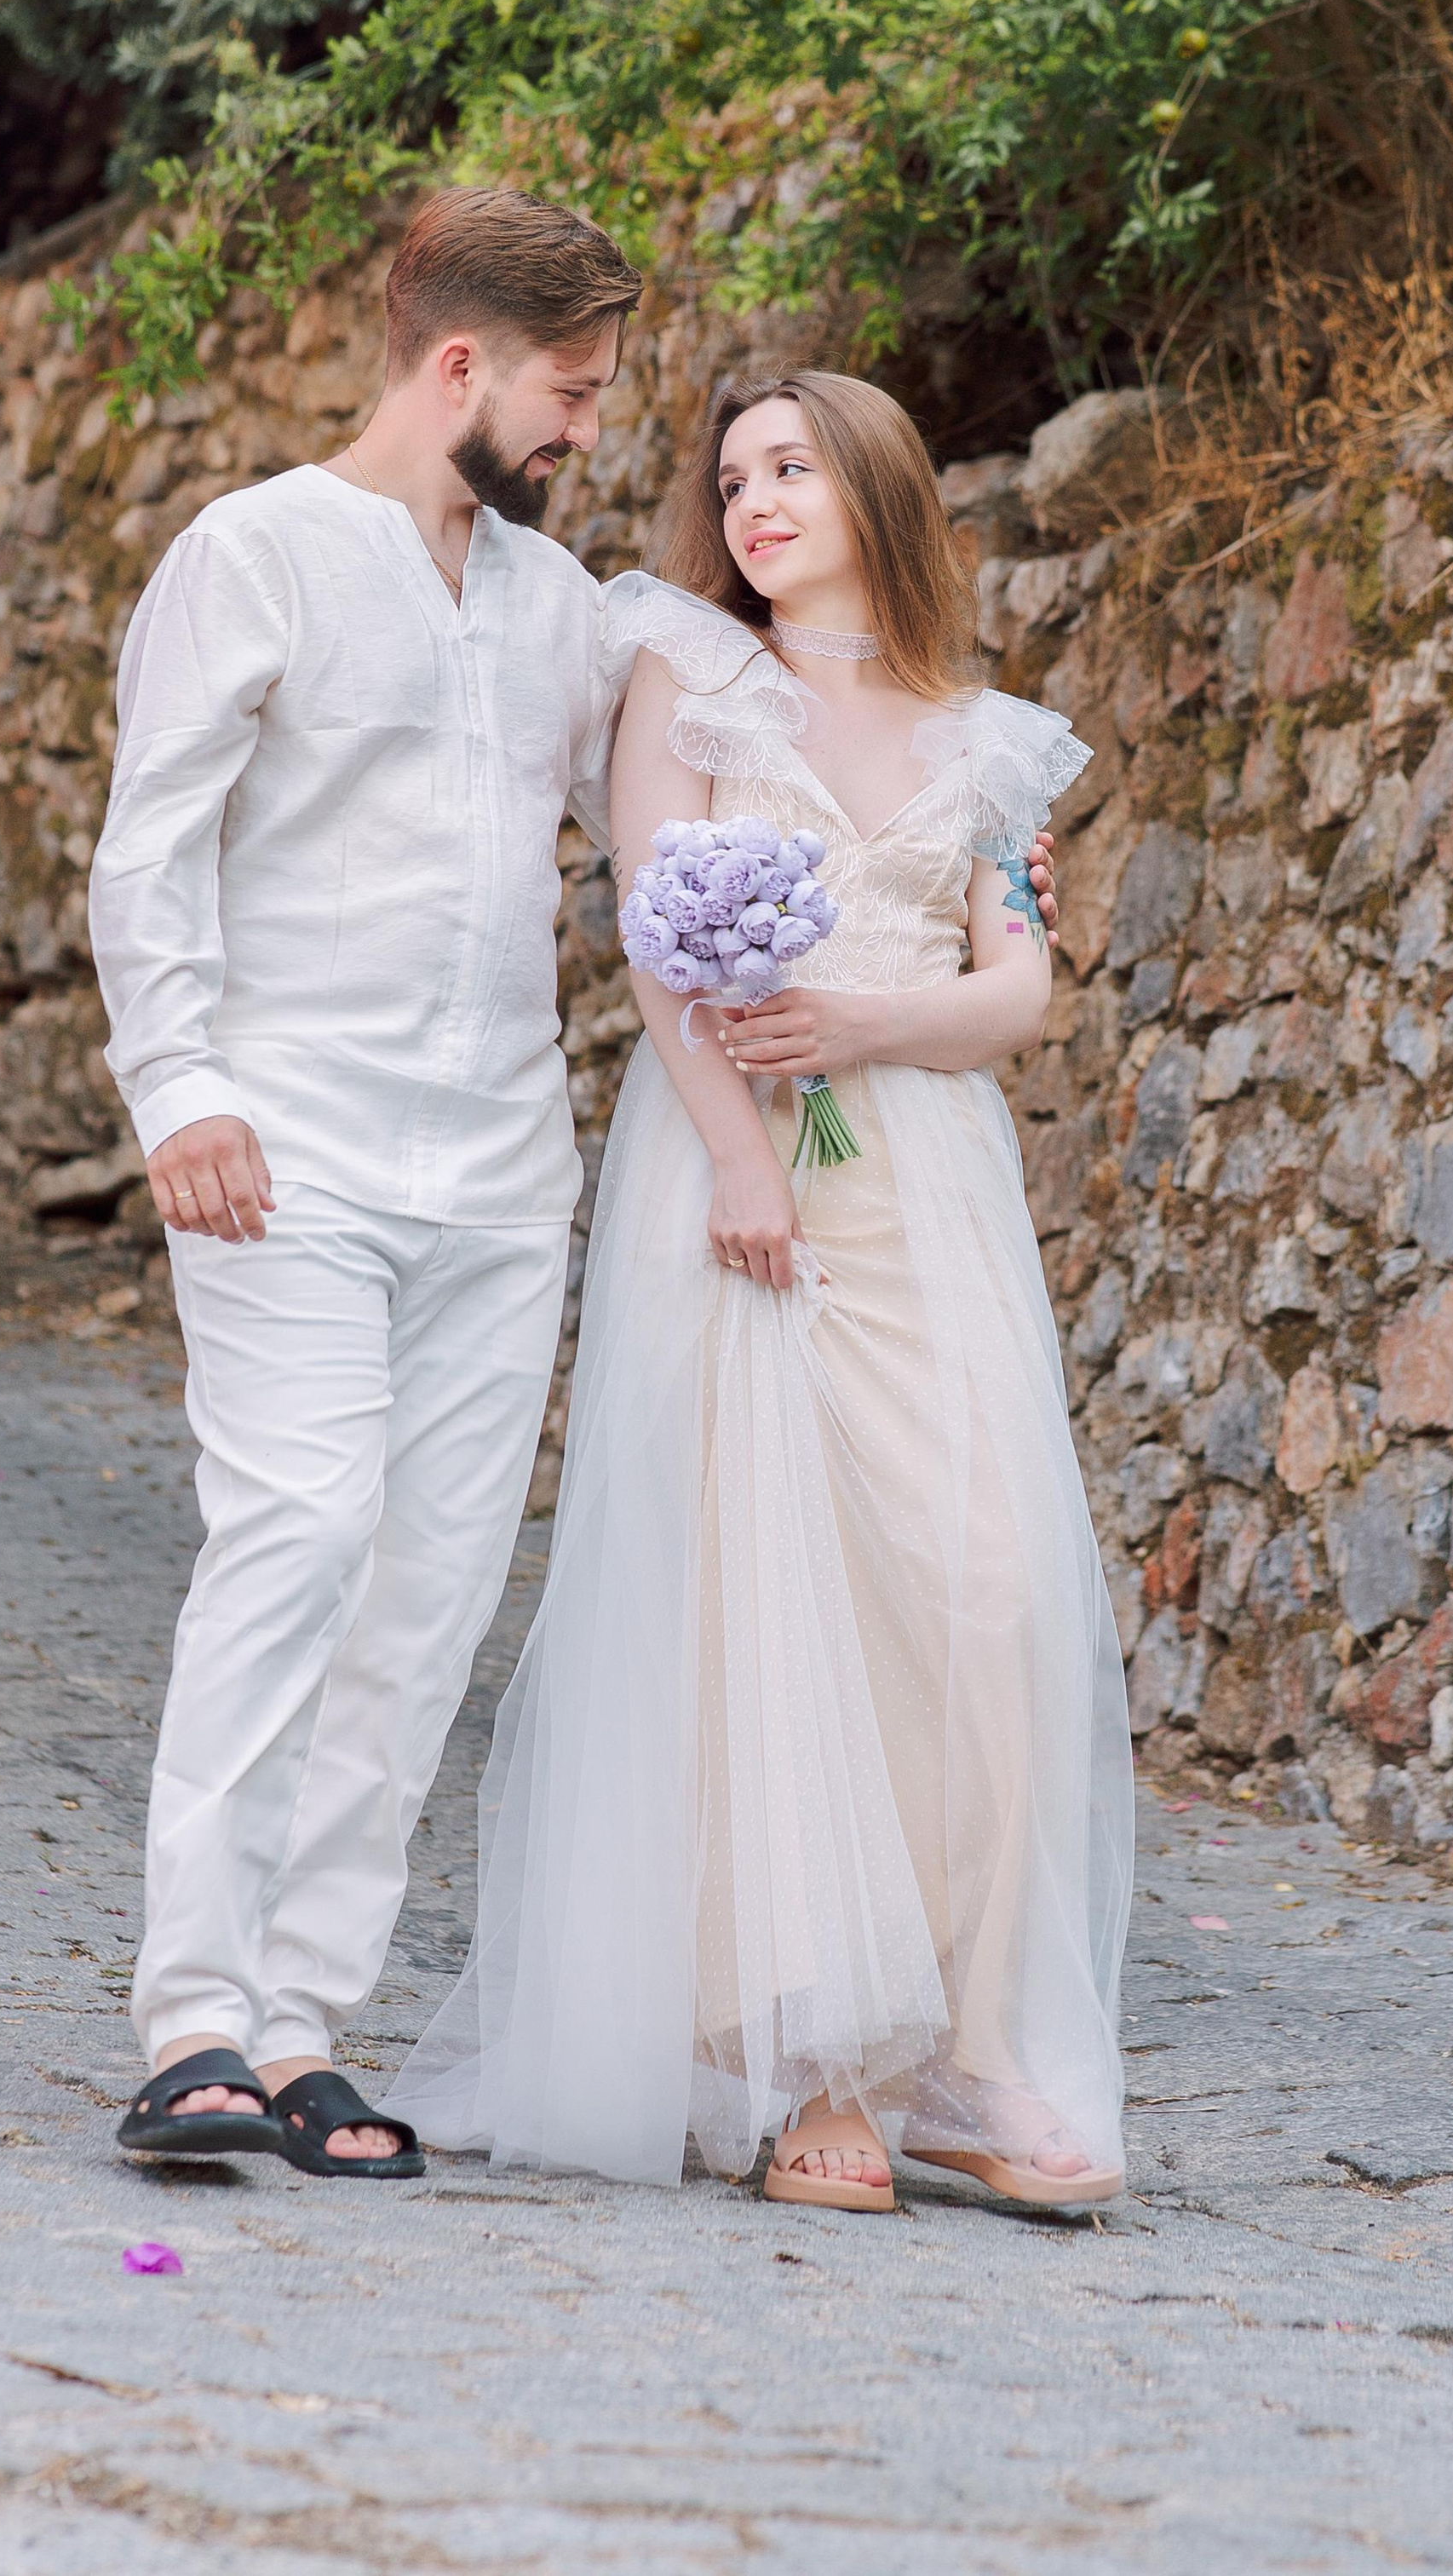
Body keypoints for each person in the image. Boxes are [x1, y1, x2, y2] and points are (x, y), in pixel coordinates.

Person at [393, 368, 1131, 2211]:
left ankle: (960, 2047)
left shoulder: (987, 738)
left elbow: (1017, 990)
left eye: (791, 466)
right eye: (730, 477)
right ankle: (809, 2060)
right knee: (762, 1584)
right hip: (732, 1171)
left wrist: (873, 1019)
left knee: (981, 1594)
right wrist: (735, 1151)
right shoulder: (684, 677)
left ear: (875, 485)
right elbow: (657, 938)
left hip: (924, 1185)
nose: (750, 501)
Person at [88, 185, 644, 2175]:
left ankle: (308, 2016)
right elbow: (151, 846)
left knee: (425, 1592)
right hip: (283, 1149)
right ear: (457, 365)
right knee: (300, 1533)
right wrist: (181, 1088)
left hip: (502, 1172)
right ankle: (196, 2014)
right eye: (568, 391)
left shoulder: (560, 605)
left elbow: (664, 819)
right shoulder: (254, 552)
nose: (585, 430)